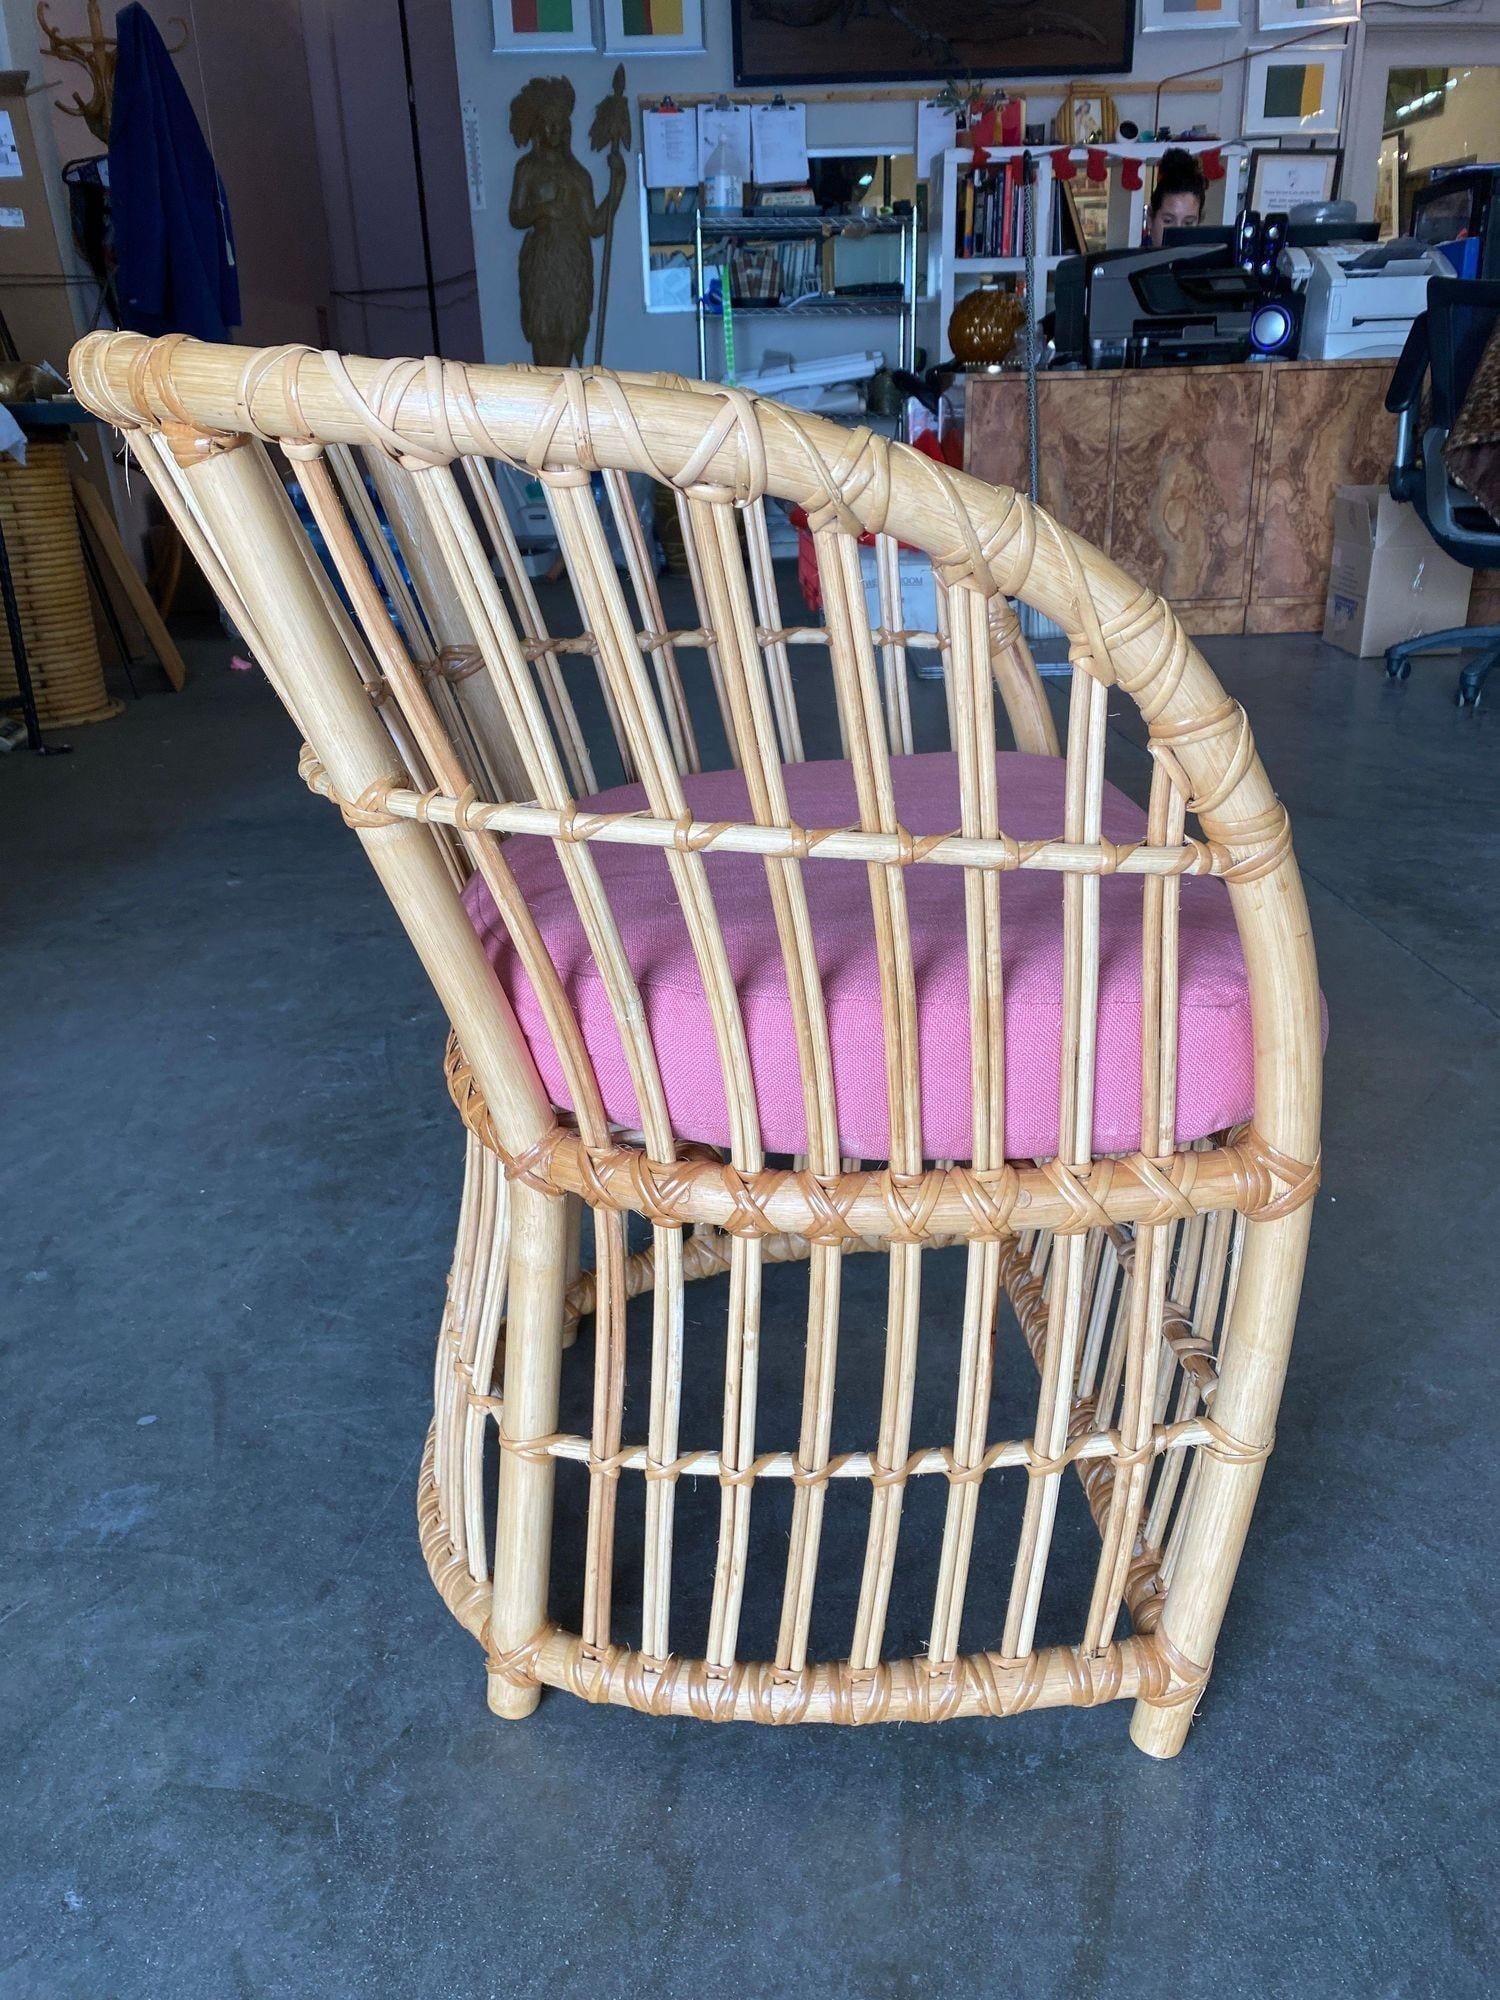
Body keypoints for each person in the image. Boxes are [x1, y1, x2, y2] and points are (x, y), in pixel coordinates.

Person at [1148, 148, 1208, 247]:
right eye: (1168, 221)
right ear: (1150, 219)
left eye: (1188, 223)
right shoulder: (1128, 262)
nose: (1178, 233)